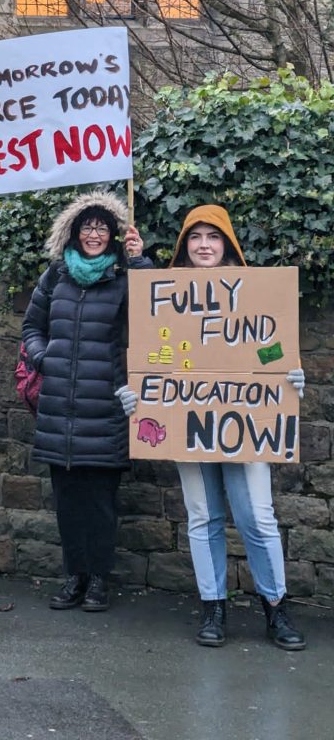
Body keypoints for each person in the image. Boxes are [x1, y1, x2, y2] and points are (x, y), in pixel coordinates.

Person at [162, 205, 306, 650]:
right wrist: (140, 393)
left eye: (213, 236)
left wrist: (287, 373)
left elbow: (267, 346)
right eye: (195, 236)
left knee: (258, 518)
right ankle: (213, 606)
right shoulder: (164, 297)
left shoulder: (253, 294)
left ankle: (275, 607)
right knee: (203, 516)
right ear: (185, 245)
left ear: (227, 244)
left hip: (243, 421)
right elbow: (158, 352)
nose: (204, 244)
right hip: (187, 420)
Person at [21, 192, 148, 613]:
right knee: (68, 502)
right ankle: (73, 576)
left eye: (102, 227)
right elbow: (32, 326)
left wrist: (141, 263)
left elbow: (156, 316)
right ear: (73, 233)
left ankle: (97, 581)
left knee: (100, 504)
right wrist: (43, 357)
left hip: (105, 407)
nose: (94, 234)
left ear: (113, 234)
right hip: (60, 407)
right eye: (86, 227)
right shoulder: (55, 276)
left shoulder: (124, 276)